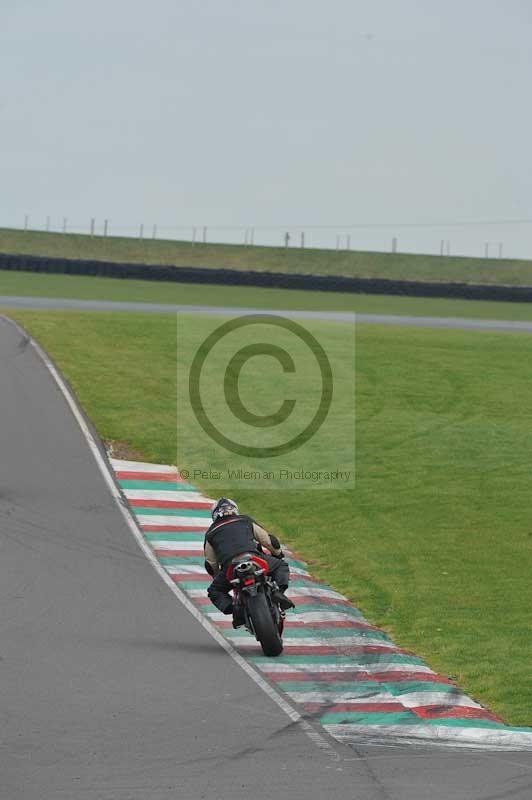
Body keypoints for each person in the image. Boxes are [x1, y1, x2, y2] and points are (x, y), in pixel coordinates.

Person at [204, 497, 294, 624]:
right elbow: (268, 541)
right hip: (253, 557)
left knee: (214, 591)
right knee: (281, 565)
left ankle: (236, 610)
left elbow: (211, 563)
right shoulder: (245, 520)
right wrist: (278, 554)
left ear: (214, 515)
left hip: (230, 566)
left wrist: (216, 576)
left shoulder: (210, 533)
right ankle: (279, 592)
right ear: (234, 510)